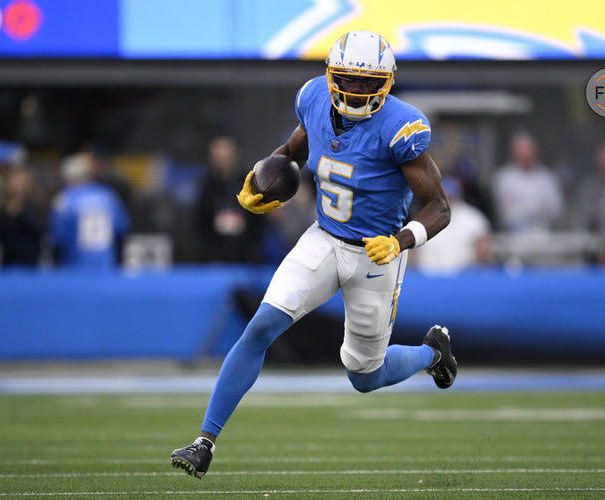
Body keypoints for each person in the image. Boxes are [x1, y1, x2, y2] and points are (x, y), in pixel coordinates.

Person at [170, 30, 457, 479]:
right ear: (331, 76)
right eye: (349, 79)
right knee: (261, 325)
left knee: (364, 376)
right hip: (323, 238)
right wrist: (262, 181)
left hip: (375, 254)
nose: (358, 90)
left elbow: (440, 206)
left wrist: (401, 241)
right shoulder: (314, 99)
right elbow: (294, 150)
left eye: (369, 81)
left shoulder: (403, 127)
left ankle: (432, 354)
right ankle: (204, 441)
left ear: (387, 82)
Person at [50, 153, 129, 270]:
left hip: (74, 268)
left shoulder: (64, 199)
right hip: (106, 266)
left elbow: (58, 237)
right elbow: (121, 228)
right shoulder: (108, 196)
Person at [195, 136, 264, 262]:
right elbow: (199, 222)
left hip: (246, 255)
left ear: (235, 157)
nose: (223, 164)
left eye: (227, 159)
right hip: (213, 256)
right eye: (219, 160)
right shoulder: (206, 186)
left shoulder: (249, 183)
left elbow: (259, 221)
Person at [412, 176, 491, 273]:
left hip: (463, 275)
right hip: (429, 275)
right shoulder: (422, 217)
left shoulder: (472, 217)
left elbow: (483, 246)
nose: (448, 198)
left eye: (450, 195)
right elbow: (412, 251)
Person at [491, 132, 563, 233]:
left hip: (543, 233)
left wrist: (536, 213)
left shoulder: (546, 177)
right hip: (512, 235)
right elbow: (505, 211)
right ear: (515, 153)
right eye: (522, 153)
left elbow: (556, 208)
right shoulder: (504, 177)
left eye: (529, 152)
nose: (525, 156)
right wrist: (533, 209)